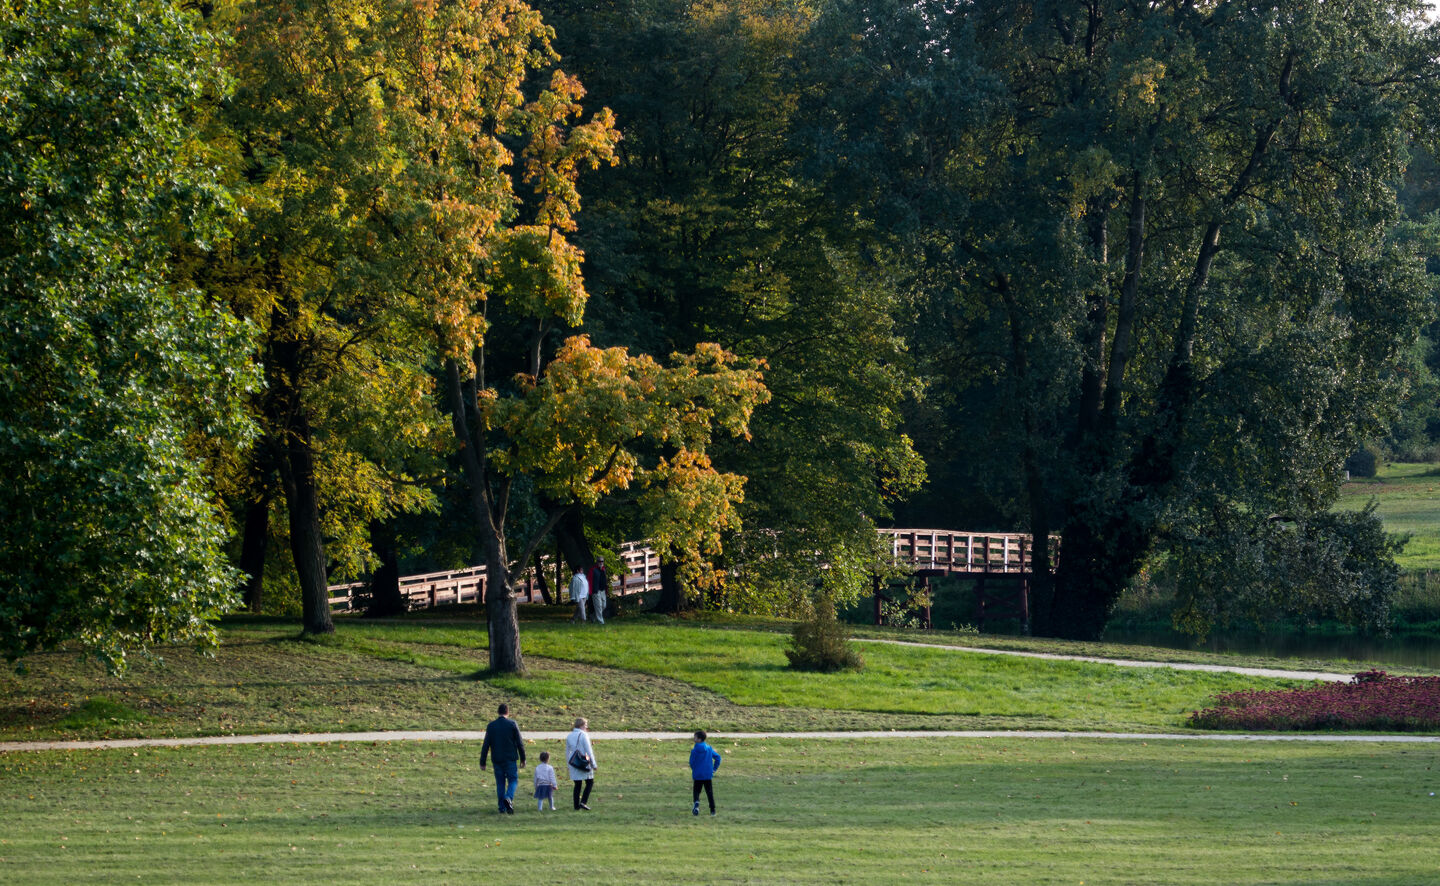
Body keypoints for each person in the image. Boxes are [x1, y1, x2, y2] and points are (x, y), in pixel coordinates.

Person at [479, 702, 526, 814]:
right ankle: (508, 797)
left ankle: (501, 807)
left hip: (497, 759)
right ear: (508, 712)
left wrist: (483, 761)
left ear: (498, 712)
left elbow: (486, 745)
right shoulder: (512, 724)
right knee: (513, 780)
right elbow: (520, 743)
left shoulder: (491, 726)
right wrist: (523, 758)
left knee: (500, 783)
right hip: (510, 758)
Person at [565, 716, 597, 810]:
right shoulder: (583, 735)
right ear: (582, 725)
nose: (587, 727)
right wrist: (593, 764)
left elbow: (567, 751)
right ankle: (583, 802)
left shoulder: (569, 736)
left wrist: (568, 764)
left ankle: (576, 806)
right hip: (583, 761)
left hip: (573, 762)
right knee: (589, 782)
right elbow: (589, 750)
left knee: (577, 784)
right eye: (586, 725)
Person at [689, 729, 721, 816]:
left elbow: (691, 762)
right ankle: (712, 810)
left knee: (696, 791)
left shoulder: (694, 751)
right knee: (709, 793)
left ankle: (696, 802)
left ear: (699, 739)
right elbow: (718, 758)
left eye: (695, 737)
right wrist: (714, 769)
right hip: (707, 774)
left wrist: (695, 769)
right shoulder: (709, 749)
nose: (693, 738)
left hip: (698, 775)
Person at [587, 559, 608, 625]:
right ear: (597, 562)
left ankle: (593, 616)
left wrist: (606, 589)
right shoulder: (593, 570)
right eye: (599, 561)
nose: (601, 563)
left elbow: (604, 579)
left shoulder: (603, 569)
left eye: (602, 561)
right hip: (595, 590)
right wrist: (590, 590)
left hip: (602, 590)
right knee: (598, 606)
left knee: (604, 605)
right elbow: (589, 580)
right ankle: (601, 622)